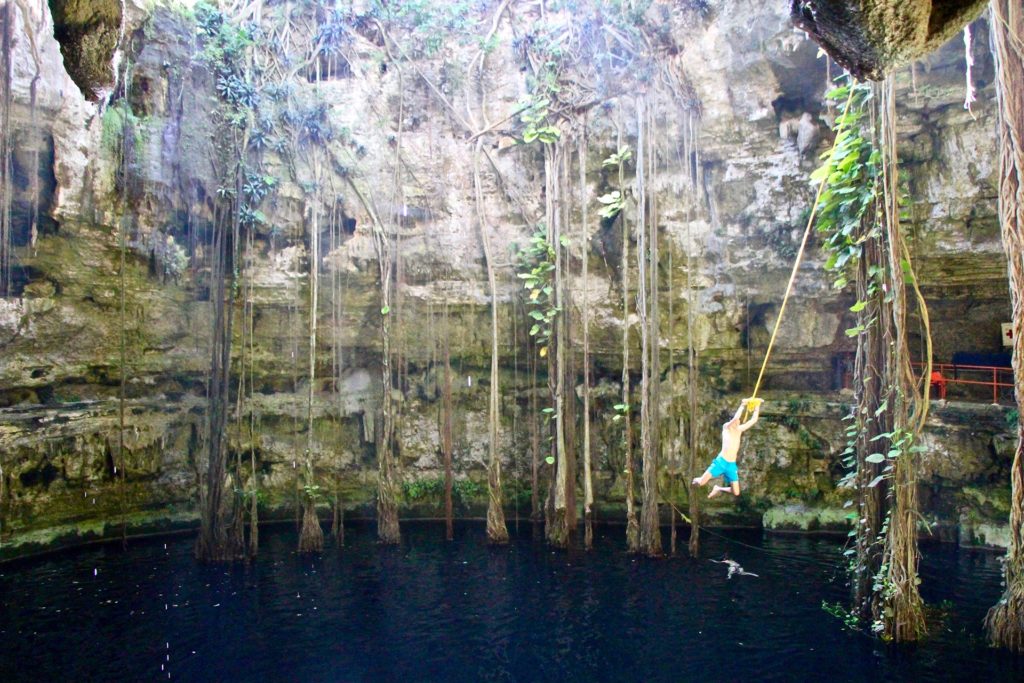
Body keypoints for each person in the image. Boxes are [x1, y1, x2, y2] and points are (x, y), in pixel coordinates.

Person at [692, 398, 762, 498]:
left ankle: (718, 488)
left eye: (739, 422)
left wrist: (757, 405)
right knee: (701, 483)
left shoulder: (739, 430)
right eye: (736, 421)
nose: (738, 422)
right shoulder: (726, 427)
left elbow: (754, 420)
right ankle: (698, 479)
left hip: (731, 465)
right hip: (721, 462)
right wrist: (742, 405)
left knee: (736, 492)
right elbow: (735, 419)